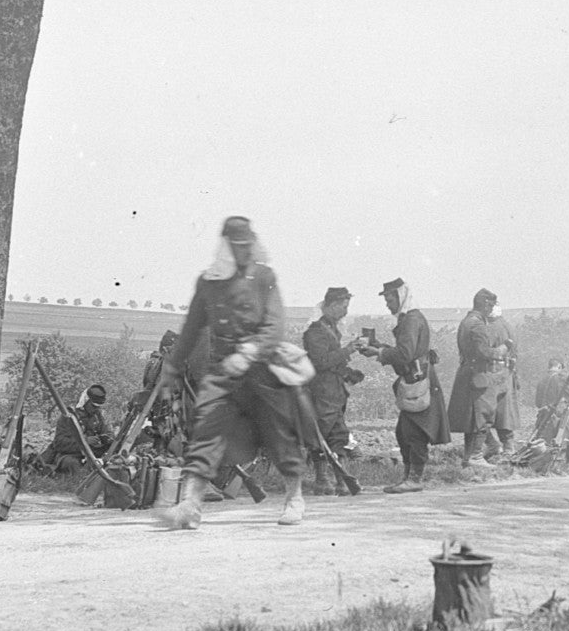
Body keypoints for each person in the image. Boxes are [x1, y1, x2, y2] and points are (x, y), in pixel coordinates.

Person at [154, 216, 309, 529]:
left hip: (263, 369)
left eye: (247, 245)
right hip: (223, 371)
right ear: (226, 246)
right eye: (237, 245)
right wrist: (172, 365)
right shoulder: (208, 283)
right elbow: (191, 328)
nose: (244, 251)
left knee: (278, 434)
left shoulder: (264, 276)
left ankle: (294, 497)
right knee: (206, 430)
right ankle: (191, 505)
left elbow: (274, 325)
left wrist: (249, 353)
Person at [360, 278, 451, 493]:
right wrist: (379, 347)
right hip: (415, 381)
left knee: (414, 432)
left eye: (390, 299)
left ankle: (414, 479)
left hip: (418, 383)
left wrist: (379, 352)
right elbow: (406, 352)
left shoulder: (410, 320)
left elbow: (404, 354)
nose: (388, 304)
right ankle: (409, 477)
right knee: (404, 432)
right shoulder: (410, 318)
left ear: (400, 297)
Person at [302, 287, 366, 495]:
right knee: (321, 433)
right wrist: (348, 350)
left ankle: (340, 480)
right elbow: (320, 362)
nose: (346, 312)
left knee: (339, 435)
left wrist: (349, 373)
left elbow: (332, 362)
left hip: (335, 392)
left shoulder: (330, 329)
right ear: (330, 306)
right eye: (343, 307)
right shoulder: (315, 332)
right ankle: (322, 480)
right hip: (322, 391)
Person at [446, 289, 509, 467]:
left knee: (472, 418)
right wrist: (502, 349)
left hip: (468, 374)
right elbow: (484, 352)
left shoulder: (467, 322)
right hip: (479, 376)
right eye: (492, 305)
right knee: (483, 415)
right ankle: (475, 456)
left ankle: (469, 456)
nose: (492, 309)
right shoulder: (478, 325)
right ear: (486, 305)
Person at [40, 384, 113, 474]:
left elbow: (108, 433)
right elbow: (59, 443)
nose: (96, 409)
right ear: (86, 401)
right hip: (70, 455)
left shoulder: (98, 416)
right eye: (94, 406)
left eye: (98, 406)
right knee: (72, 464)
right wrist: (85, 441)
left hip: (92, 455)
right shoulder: (69, 416)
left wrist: (105, 439)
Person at [490, 306, 522, 453]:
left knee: (497, 412)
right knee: (504, 412)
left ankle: (499, 446)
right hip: (506, 373)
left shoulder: (494, 327)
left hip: (497, 374)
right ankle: (506, 446)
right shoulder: (506, 325)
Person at [534, 359, 567, 436]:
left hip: (542, 416)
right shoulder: (557, 379)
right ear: (559, 366)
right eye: (561, 368)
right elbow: (557, 400)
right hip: (552, 417)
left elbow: (538, 402)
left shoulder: (542, 378)